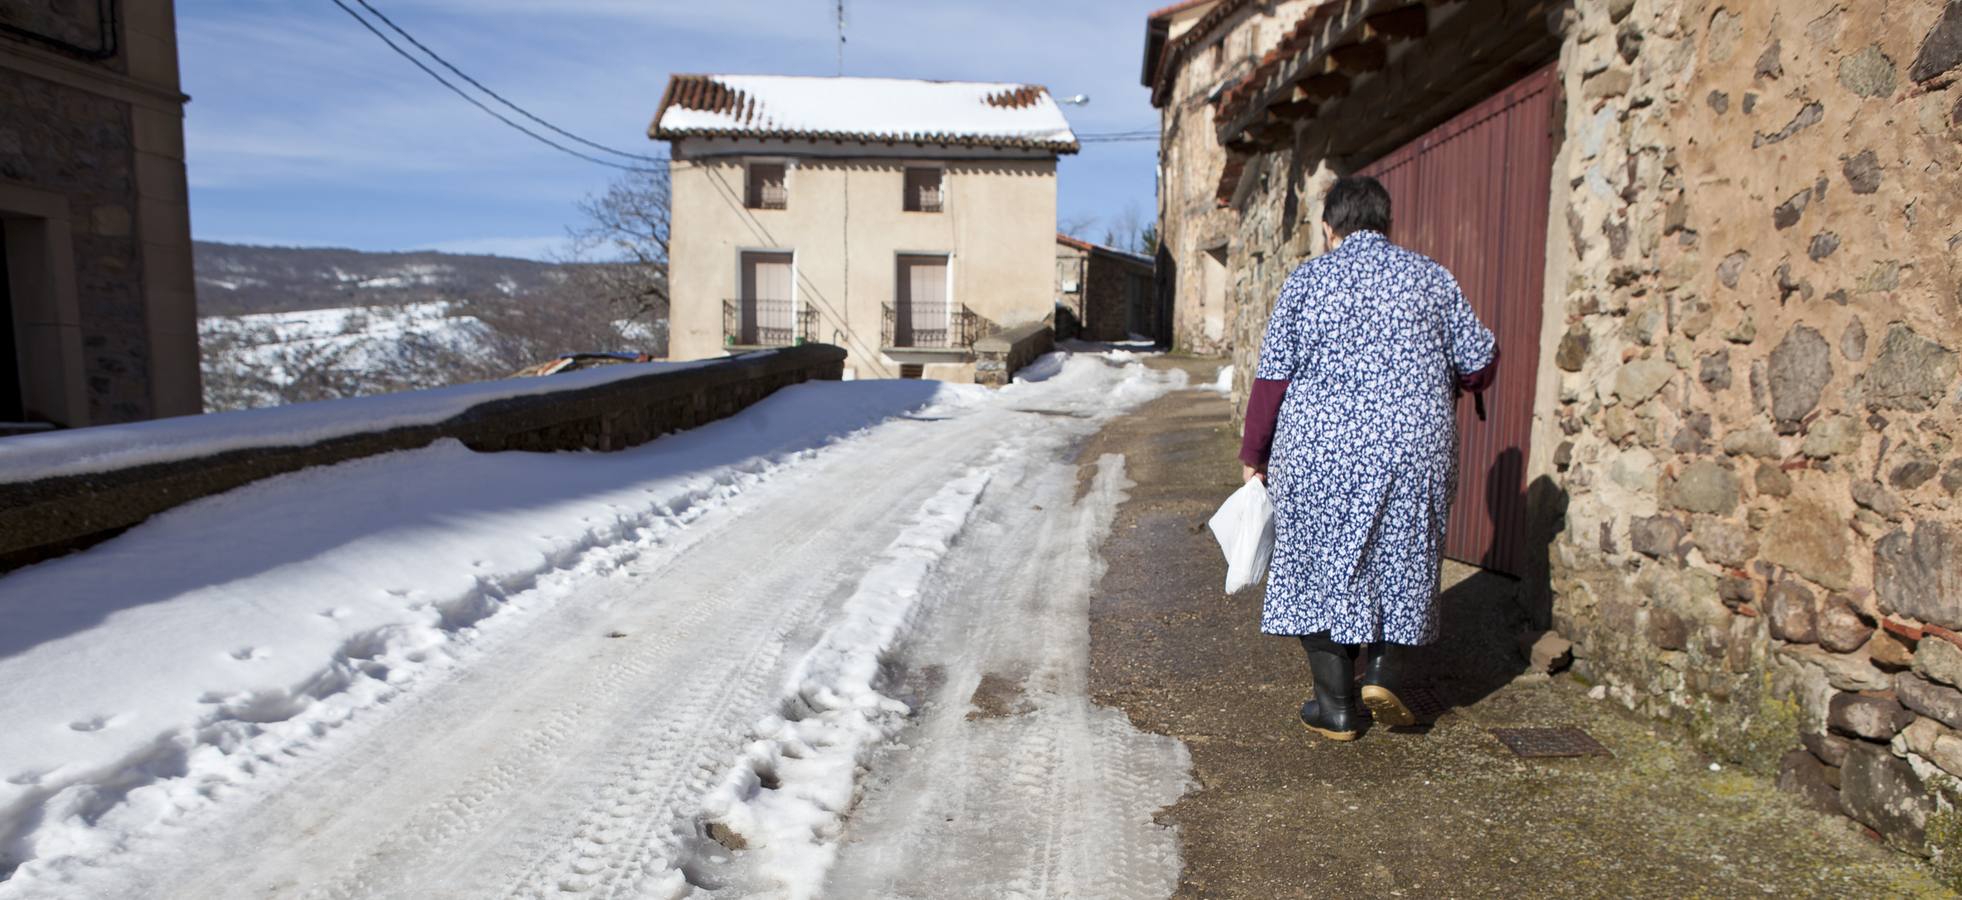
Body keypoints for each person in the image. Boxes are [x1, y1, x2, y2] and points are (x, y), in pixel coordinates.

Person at [1237, 175, 1498, 742]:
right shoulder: (1431, 277)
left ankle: (1336, 707)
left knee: (1316, 565)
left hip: (1318, 451)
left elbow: (1272, 378)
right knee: (1401, 557)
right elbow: (1479, 362)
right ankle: (1380, 674)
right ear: (1388, 225)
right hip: (1413, 446)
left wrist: (1254, 453)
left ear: (1329, 229)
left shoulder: (1306, 281)